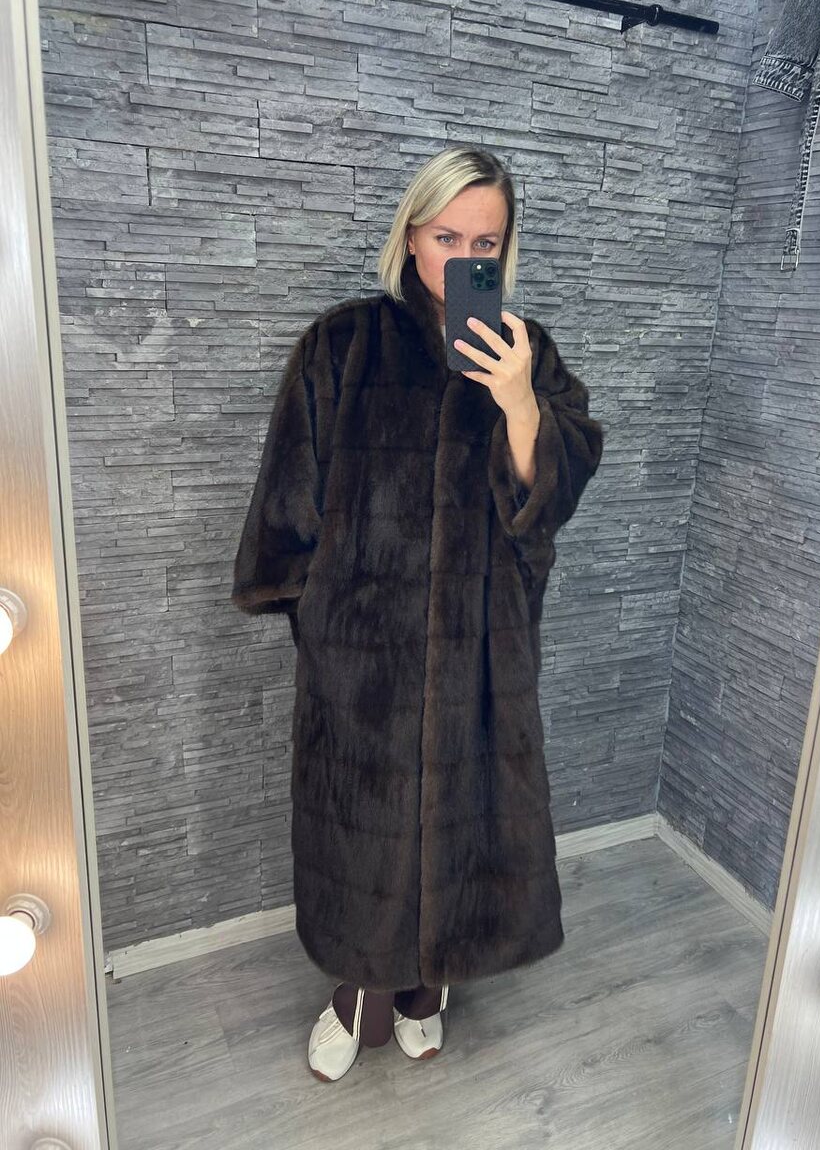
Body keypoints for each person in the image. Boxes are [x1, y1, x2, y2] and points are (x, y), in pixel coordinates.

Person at [231, 145, 605, 1083]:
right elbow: (288, 499)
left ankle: (426, 986)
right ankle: (358, 986)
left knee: (462, 823)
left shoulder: (527, 351)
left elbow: (553, 494)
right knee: (365, 833)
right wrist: (324, 625)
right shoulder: (341, 346)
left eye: (487, 242)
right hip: (364, 654)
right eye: (447, 237)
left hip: (482, 648)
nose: (466, 257)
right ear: (410, 236)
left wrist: (519, 403)